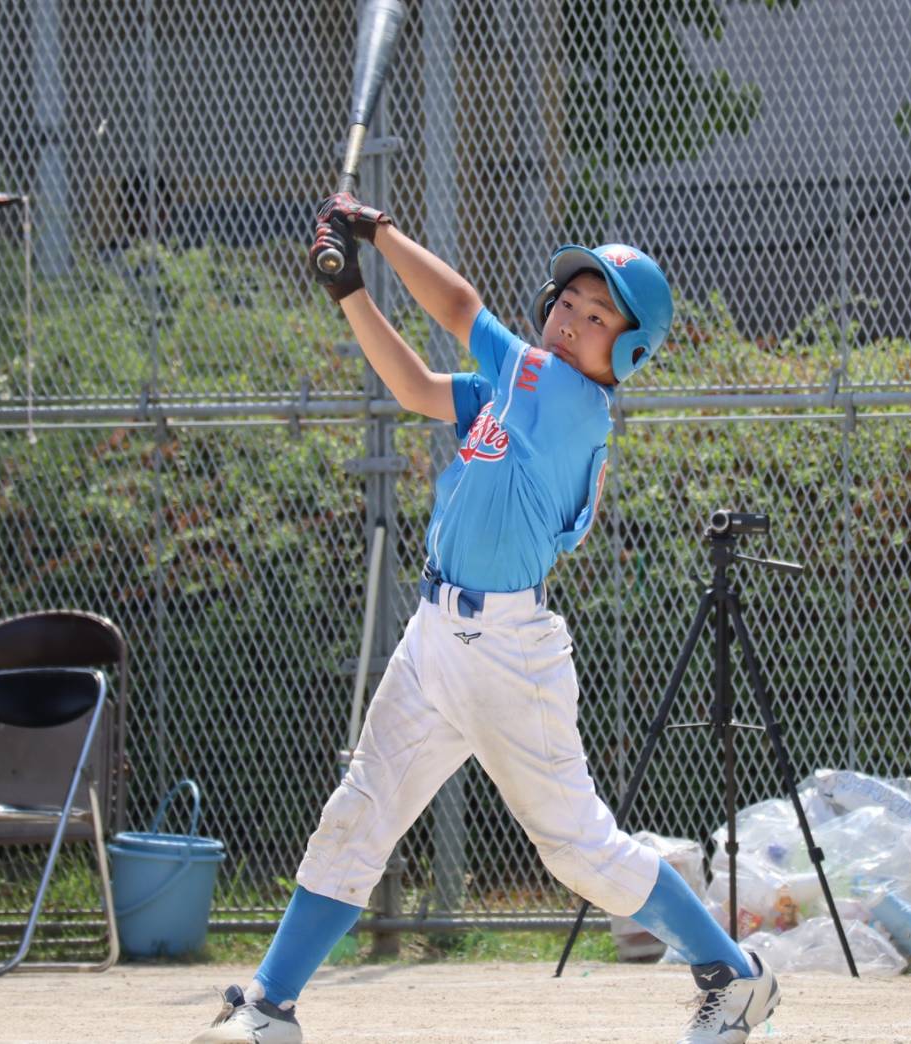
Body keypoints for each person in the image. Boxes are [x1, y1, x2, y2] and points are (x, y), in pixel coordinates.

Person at [190, 197, 780, 1044]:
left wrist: (379, 233)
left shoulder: (566, 398)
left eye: (598, 315)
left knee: (578, 849)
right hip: (435, 637)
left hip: (507, 654)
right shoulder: (517, 394)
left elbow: (463, 310)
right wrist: (350, 291)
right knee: (360, 812)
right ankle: (270, 1005)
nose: (572, 318)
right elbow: (413, 388)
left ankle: (732, 974)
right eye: (568, 301)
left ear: (629, 351)